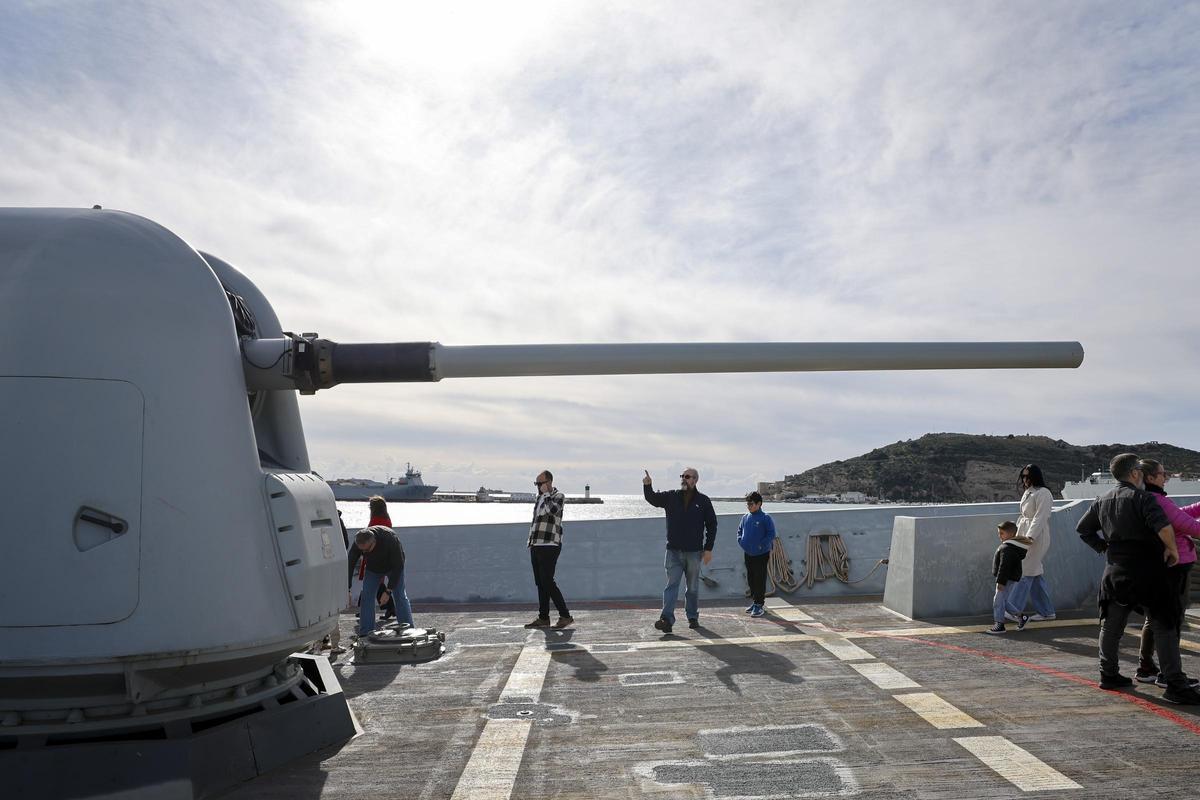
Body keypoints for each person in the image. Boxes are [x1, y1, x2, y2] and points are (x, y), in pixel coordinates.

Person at [1076, 453, 1200, 703]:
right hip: (1148, 572)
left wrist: (1104, 548)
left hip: (1115, 571)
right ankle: (1174, 684)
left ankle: (1109, 675)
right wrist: (1172, 549)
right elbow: (1164, 526)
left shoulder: (1102, 499)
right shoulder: (1142, 497)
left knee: (1111, 627)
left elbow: (1083, 529)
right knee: (1163, 626)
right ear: (1134, 473)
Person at [1134, 459, 1200, 685]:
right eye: (1163, 474)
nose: (1166, 478)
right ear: (1151, 477)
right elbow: (1191, 526)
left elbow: (1179, 514)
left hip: (1158, 566)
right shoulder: (1157, 500)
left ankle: (1146, 668)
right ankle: (1169, 674)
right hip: (1175, 566)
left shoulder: (1149, 498)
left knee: (1154, 620)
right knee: (1171, 621)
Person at [643, 467, 717, 633]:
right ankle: (666, 619)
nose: (684, 478)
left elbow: (712, 524)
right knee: (671, 586)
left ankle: (692, 616)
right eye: (682, 476)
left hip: (694, 552)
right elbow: (653, 499)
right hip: (673, 552)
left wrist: (708, 549)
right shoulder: (671, 496)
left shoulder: (703, 501)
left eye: (688, 476)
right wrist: (648, 486)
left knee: (692, 587)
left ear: (695, 480)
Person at [1004, 464, 1056, 624]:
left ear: (1035, 476)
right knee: (1034, 572)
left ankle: (1013, 609)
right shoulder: (1029, 492)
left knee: (1025, 571)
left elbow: (1039, 518)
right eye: (1023, 476)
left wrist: (1028, 538)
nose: (1025, 480)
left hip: (1036, 537)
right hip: (1024, 533)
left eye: (1028, 476)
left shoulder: (1043, 493)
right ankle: (1047, 611)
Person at [524, 469, 574, 629]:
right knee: (540, 583)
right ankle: (544, 617)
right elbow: (536, 522)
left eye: (540, 483)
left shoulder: (558, 496)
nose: (538, 486)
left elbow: (553, 511)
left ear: (549, 482)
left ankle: (565, 615)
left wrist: (546, 495)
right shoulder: (539, 498)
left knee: (548, 581)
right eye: (536, 484)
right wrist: (531, 542)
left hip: (550, 544)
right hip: (536, 544)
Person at [346, 524, 413, 638]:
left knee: (400, 596)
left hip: (393, 567)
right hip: (373, 568)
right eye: (363, 551)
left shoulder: (390, 539)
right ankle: (365, 633)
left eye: (367, 549)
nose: (365, 553)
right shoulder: (359, 541)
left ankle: (408, 630)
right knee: (367, 597)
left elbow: (398, 566)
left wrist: (388, 591)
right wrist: (347, 588)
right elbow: (350, 563)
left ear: (374, 542)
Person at [987, 521, 1032, 634]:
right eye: (999, 533)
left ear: (1011, 534)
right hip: (1009, 578)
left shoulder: (1007, 548)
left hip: (1005, 579)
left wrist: (1001, 582)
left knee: (998, 601)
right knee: (1004, 601)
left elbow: (1004, 566)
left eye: (1002, 533)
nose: (999, 536)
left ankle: (999, 624)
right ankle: (1022, 617)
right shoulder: (1012, 546)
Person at [737, 492, 776, 618]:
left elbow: (771, 534)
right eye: (747, 504)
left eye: (751, 504)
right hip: (748, 553)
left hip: (761, 553)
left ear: (759, 504)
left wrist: (761, 545)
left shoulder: (765, 518)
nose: (748, 506)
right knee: (751, 578)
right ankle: (755, 602)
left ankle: (759, 604)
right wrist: (741, 542)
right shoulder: (745, 517)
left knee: (760, 578)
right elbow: (740, 531)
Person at [367, 496, 397, 621]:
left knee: (375, 584)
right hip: (387, 555)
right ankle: (388, 608)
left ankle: (389, 607)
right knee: (377, 584)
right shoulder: (386, 519)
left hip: (377, 556)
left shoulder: (375, 521)